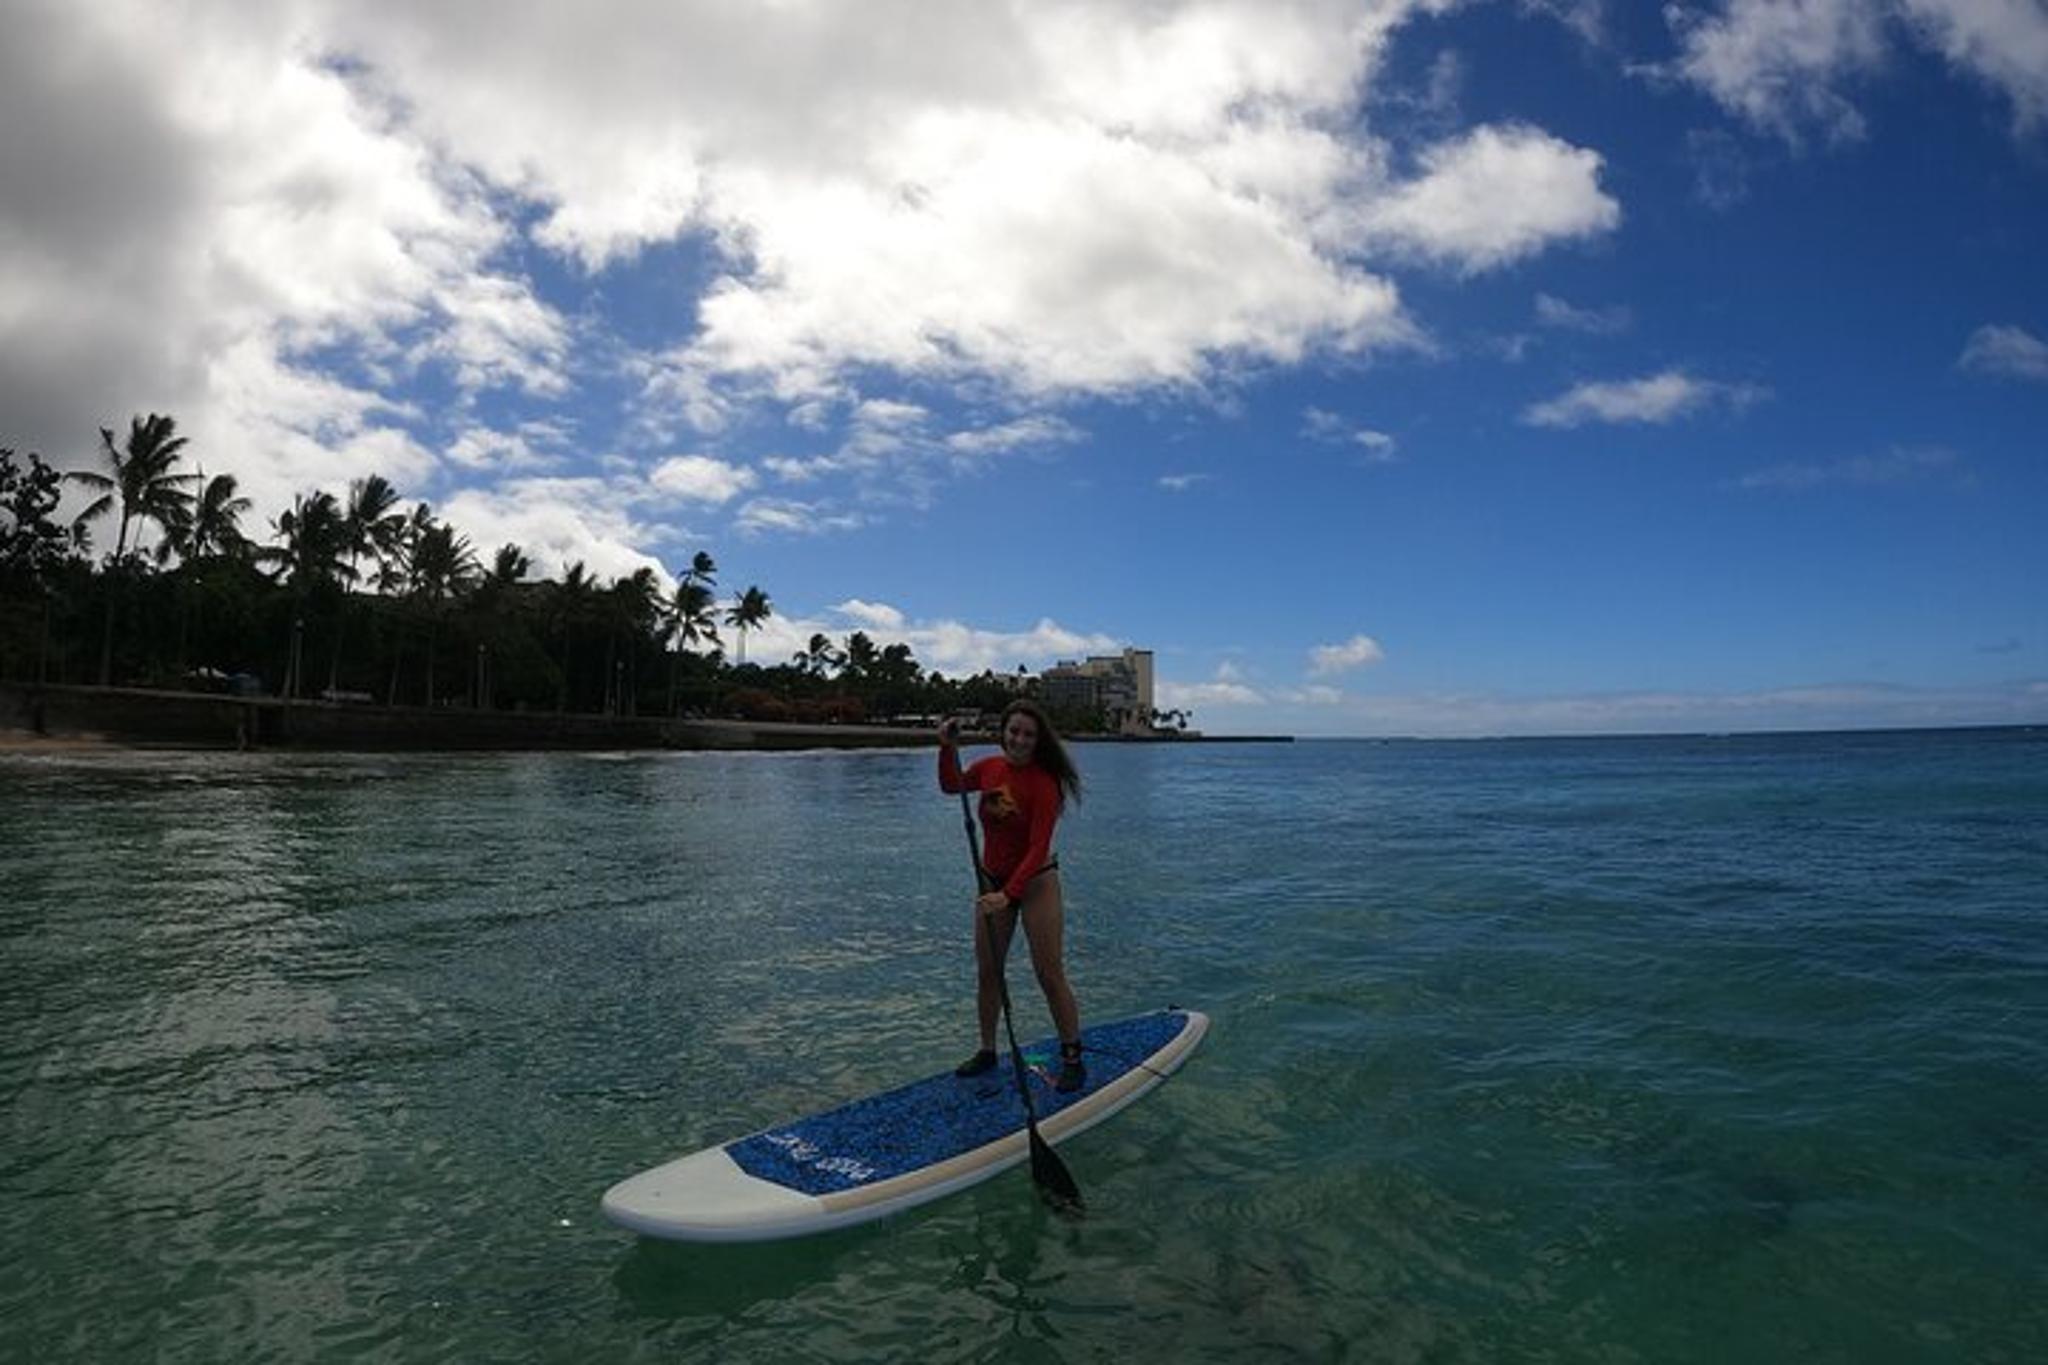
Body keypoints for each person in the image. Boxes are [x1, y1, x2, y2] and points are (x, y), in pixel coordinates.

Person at [938, 699, 1087, 1092]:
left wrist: (1010, 894)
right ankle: (988, 1051)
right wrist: (945, 748)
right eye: (1014, 731)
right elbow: (952, 785)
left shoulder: (1044, 785)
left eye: (1028, 734)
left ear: (1038, 741)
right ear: (1003, 731)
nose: (1019, 740)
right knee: (988, 972)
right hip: (991, 881)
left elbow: (1038, 846)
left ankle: (1072, 1054)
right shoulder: (989, 768)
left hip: (1036, 883)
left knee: (1048, 972)